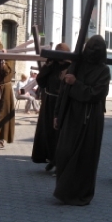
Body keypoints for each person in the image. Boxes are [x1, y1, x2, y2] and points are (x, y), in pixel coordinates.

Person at [53, 35, 110, 206]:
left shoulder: (103, 71)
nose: (92, 52)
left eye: (95, 49)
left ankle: (80, 193)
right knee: (65, 152)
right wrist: (57, 114)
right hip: (71, 115)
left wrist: (76, 83)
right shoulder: (76, 65)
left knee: (86, 155)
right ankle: (64, 191)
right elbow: (63, 91)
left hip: (90, 118)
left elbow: (96, 94)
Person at [32, 43, 70, 171]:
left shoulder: (70, 67)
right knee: (47, 131)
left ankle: (58, 161)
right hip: (48, 102)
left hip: (62, 104)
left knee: (59, 134)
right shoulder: (52, 65)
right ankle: (50, 158)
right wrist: (47, 66)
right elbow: (41, 82)